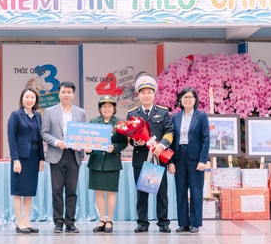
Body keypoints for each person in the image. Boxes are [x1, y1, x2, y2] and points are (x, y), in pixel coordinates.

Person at [127, 75, 174, 233]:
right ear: (138, 95)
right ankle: (142, 222)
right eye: (143, 92)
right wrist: (136, 142)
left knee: (161, 192)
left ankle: (163, 222)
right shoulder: (132, 113)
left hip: (158, 158)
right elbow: (128, 136)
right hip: (140, 158)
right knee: (142, 192)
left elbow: (170, 131)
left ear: (154, 94)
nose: (146, 95)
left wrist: (162, 145)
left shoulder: (163, 112)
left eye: (149, 92)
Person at [42, 81, 86, 234]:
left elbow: (84, 134)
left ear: (73, 94)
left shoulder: (81, 113)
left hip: (74, 155)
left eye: (69, 92)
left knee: (72, 191)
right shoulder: (49, 111)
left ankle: (70, 222)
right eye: (63, 92)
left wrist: (81, 144)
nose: (66, 94)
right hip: (56, 154)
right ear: (59, 93)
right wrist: (56, 142)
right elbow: (44, 133)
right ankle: (58, 223)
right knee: (57, 191)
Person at [168, 87, 210, 234]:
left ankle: (195, 223)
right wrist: (170, 161)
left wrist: (203, 160)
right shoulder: (175, 117)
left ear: (195, 99)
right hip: (179, 156)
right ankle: (183, 223)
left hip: (195, 158)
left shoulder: (201, 116)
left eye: (190, 97)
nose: (187, 100)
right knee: (180, 191)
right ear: (180, 100)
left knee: (196, 191)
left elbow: (206, 139)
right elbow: (171, 140)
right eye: (184, 97)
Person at [85, 95, 128, 233]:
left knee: (110, 192)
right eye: (104, 106)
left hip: (112, 162)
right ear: (100, 108)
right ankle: (101, 219)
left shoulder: (120, 122)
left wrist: (114, 147)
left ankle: (109, 220)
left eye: (110, 106)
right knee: (98, 192)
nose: (107, 109)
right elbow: (88, 140)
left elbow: (124, 143)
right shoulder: (93, 121)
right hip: (96, 161)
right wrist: (88, 149)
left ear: (114, 108)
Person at [7, 87, 45, 234]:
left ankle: (27, 221)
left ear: (36, 100)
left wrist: (41, 158)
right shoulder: (16, 115)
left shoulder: (38, 116)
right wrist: (15, 160)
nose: (30, 100)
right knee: (18, 190)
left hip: (34, 157)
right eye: (27, 97)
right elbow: (11, 139)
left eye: (32, 97)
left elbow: (40, 139)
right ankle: (19, 222)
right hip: (21, 158)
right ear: (22, 99)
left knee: (29, 191)